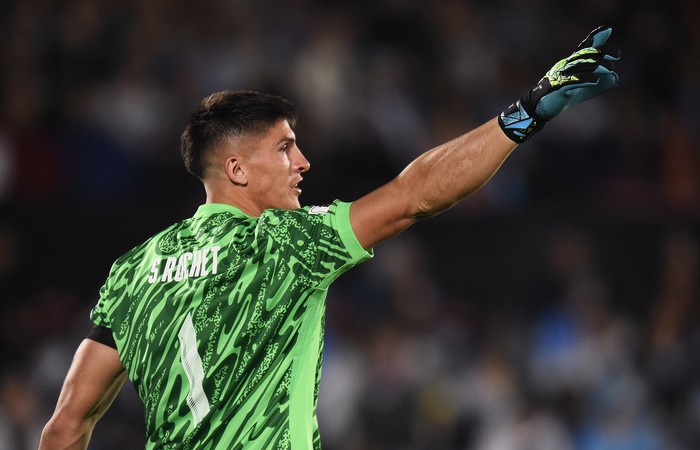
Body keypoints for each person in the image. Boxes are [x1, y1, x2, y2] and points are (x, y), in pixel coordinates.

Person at [39, 26, 620, 450]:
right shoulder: (284, 245)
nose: (304, 161)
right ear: (237, 169)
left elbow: (66, 426)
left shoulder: (134, 270)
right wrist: (525, 113)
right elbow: (416, 193)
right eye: (285, 147)